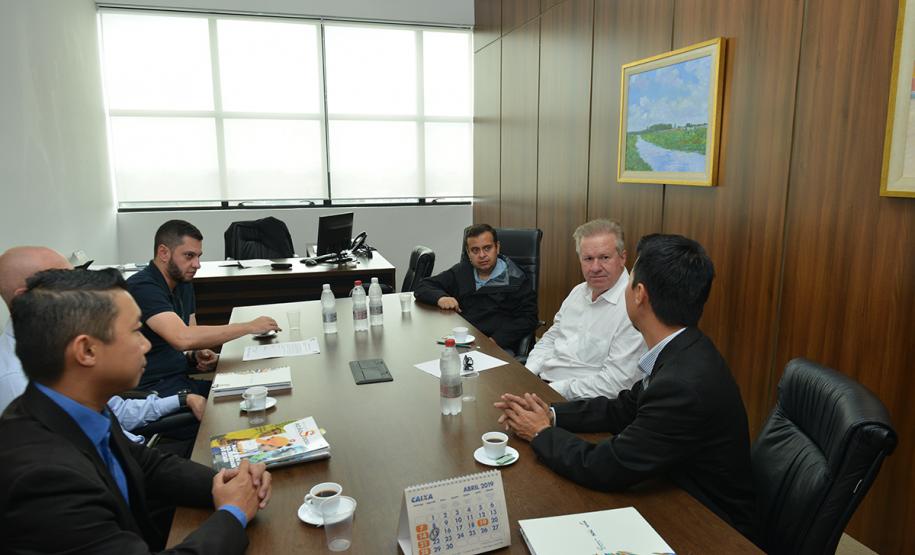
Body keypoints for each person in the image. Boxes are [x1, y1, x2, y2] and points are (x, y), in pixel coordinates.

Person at [495, 234, 757, 541]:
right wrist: (551, 414)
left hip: (708, 526)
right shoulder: (683, 348)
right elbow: (622, 408)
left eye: (629, 280)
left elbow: (606, 466)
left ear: (639, 295)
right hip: (668, 487)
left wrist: (540, 433)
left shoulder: (682, 384)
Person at [0, 268, 272, 552]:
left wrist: (229, 481)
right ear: (87, 351)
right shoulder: (44, 479)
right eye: (135, 332)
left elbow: (147, 465)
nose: (146, 344)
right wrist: (232, 514)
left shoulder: (74, 407)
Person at [0, 246, 205, 444]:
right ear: (24, 299)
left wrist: (180, 400)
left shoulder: (62, 344)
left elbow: (115, 412)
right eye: (64, 283)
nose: (80, 293)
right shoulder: (18, 384)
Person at [126, 220, 279, 397]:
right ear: (163, 253)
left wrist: (196, 354)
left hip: (179, 380)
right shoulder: (142, 287)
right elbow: (182, 338)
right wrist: (249, 327)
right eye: (189, 256)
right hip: (152, 392)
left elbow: (191, 338)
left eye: (198, 256)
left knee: (261, 386)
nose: (197, 264)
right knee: (241, 398)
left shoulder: (183, 282)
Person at [525, 220, 646, 400]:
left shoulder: (633, 306)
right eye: (588, 259)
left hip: (581, 401)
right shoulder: (578, 292)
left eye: (604, 257)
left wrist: (551, 391)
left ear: (622, 258)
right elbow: (551, 337)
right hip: (542, 385)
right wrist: (528, 373)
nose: (595, 268)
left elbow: (616, 383)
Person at [414, 224, 538, 352]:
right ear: (468, 253)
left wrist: (495, 341)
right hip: (460, 341)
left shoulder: (515, 279)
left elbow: (528, 318)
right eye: (475, 250)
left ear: (497, 247)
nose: (482, 255)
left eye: (487, 248)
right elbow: (423, 286)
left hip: (497, 346)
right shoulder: (462, 271)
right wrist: (441, 298)